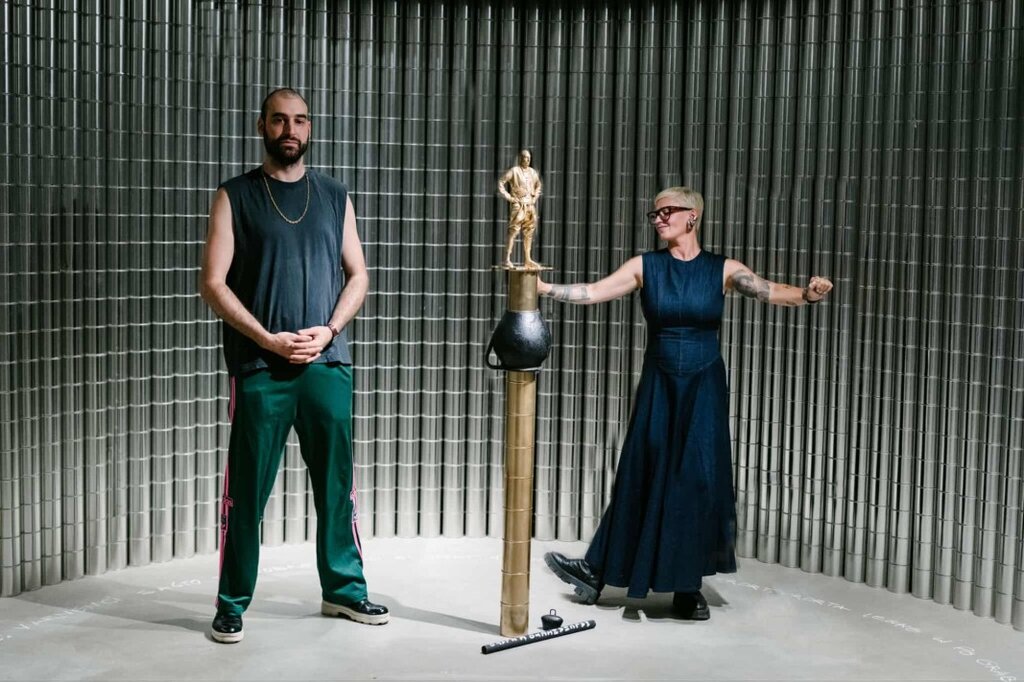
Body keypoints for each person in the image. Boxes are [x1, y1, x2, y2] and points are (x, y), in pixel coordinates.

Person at [540, 186, 833, 620]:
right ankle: (598, 570)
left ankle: (686, 587)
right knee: (642, 471)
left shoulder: (723, 269)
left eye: (666, 212)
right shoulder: (645, 266)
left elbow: (768, 290)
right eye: (654, 214)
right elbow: (595, 291)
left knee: (695, 480)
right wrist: (542, 288)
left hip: (703, 386)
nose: (658, 219)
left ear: (692, 216)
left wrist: (807, 295)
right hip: (660, 383)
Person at [199, 87, 388, 644]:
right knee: (246, 493)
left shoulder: (333, 195)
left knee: (337, 488)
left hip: (328, 363)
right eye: (279, 120)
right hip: (261, 368)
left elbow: (358, 275)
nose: (291, 129)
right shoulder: (235, 195)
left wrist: (329, 331)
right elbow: (212, 283)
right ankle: (232, 602)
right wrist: (267, 340)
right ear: (262, 126)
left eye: (300, 120)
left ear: (309, 129)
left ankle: (344, 591)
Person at [497, 149, 543, 269]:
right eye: (524, 157)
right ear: (520, 158)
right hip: (519, 205)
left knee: (529, 232)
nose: (526, 160)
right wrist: (510, 198)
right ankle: (507, 258)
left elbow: (538, 185)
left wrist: (535, 197)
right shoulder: (514, 171)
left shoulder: (532, 172)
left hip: (530, 206)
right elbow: (501, 182)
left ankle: (527, 259)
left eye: (528, 158)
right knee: (513, 231)